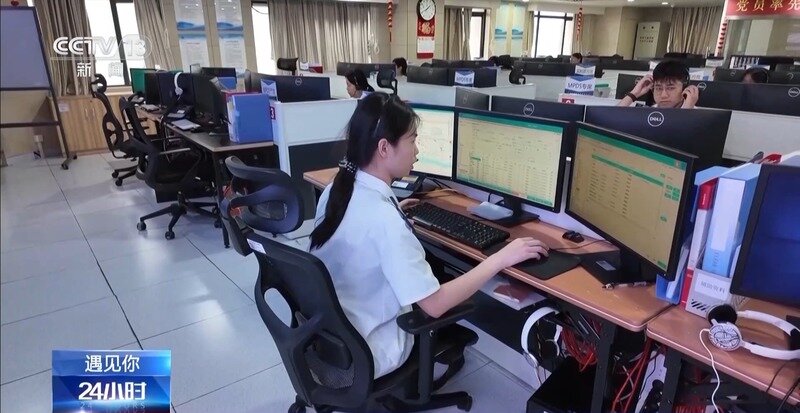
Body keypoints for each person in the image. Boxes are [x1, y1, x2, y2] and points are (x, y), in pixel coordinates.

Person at [309, 93, 549, 378]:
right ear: (384, 148)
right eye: (412, 140)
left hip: (335, 335)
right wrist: (499, 259)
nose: (417, 151)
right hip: (372, 348)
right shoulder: (383, 221)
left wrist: (394, 210)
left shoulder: (337, 191)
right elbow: (434, 305)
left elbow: (365, 228)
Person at [618, 60, 699, 109]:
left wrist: (687, 111)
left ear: (685, 89)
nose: (663, 95)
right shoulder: (649, 113)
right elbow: (613, 119)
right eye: (659, 88)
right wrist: (634, 94)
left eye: (670, 88)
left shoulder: (699, 117)